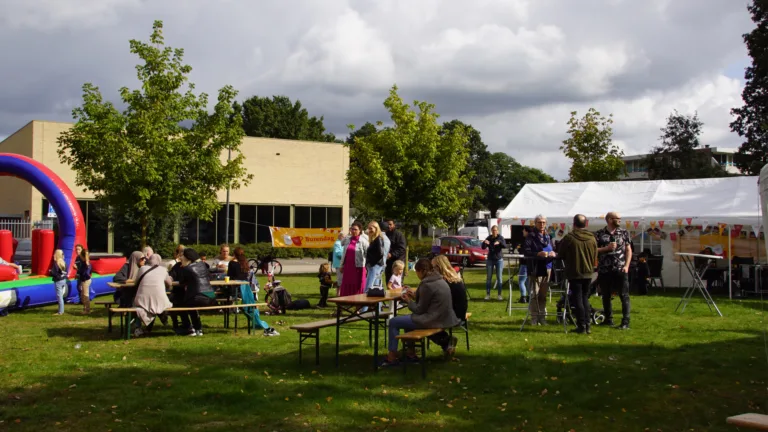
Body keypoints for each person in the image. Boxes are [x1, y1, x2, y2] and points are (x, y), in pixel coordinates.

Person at [382, 258, 461, 366]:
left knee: (394, 322)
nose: (417, 275)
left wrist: (408, 301)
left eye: (417, 271)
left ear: (423, 270)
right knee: (407, 322)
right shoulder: (439, 280)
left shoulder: (427, 284)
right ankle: (410, 354)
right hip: (444, 317)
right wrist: (415, 295)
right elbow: (428, 301)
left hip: (431, 320)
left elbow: (419, 310)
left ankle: (392, 356)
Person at [557, 214, 598, 334]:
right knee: (585, 298)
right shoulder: (592, 238)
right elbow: (595, 254)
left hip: (575, 272)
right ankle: (587, 325)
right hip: (589, 272)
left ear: (574, 224)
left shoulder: (570, 237)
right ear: (586, 224)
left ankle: (582, 325)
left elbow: (560, 254)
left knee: (577, 299)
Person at [595, 212, 632, 330]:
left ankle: (625, 321)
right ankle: (608, 319)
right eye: (618, 219)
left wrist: (627, 265)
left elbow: (628, 250)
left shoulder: (624, 233)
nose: (620, 220)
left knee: (624, 295)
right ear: (610, 220)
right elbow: (593, 250)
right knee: (606, 295)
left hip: (620, 268)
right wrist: (606, 248)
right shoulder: (599, 234)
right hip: (605, 269)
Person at [429, 255, 468, 357]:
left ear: (439, 267)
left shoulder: (444, 281)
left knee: (423, 322)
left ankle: (446, 342)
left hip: (453, 316)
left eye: (433, 267)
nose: (432, 270)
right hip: (460, 313)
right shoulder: (455, 277)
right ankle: (447, 345)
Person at [523, 215, 556, 325]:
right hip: (535, 268)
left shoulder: (548, 236)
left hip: (548, 268)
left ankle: (542, 317)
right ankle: (534, 318)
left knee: (543, 295)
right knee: (534, 294)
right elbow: (526, 252)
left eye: (543, 222)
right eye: (539, 222)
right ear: (535, 223)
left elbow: (553, 249)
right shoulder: (531, 236)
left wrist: (553, 253)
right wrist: (538, 253)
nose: (541, 224)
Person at [177, 248, 216, 336]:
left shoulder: (187, 269)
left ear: (187, 257)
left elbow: (181, 282)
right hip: (211, 296)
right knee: (189, 303)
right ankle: (198, 329)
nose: (181, 258)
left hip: (199, 297)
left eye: (182, 256)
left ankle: (189, 328)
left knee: (181, 303)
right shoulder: (203, 265)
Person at [132, 254, 173, 337]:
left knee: (138, 305)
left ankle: (139, 328)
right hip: (160, 300)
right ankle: (163, 318)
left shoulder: (142, 269)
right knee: (160, 303)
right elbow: (170, 284)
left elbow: (135, 283)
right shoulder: (163, 270)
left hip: (142, 300)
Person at [338, 221, 369, 297]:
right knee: (347, 282)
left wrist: (367, 267)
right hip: (348, 266)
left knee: (358, 284)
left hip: (358, 267)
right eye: (352, 229)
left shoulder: (363, 241)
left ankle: (358, 301)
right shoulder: (347, 239)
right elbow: (341, 243)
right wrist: (341, 265)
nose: (353, 231)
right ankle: (346, 300)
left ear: (360, 230)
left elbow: (367, 254)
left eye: (355, 229)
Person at [482, 225, 507, 301]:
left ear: (498, 231)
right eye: (493, 230)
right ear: (491, 231)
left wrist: (499, 242)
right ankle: (488, 294)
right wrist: (484, 242)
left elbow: (505, 246)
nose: (494, 232)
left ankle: (499, 295)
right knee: (489, 277)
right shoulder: (489, 238)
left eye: (496, 230)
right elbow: (483, 247)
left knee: (499, 278)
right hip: (490, 259)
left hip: (499, 259)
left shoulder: (500, 238)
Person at [365, 221, 386, 292]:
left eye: (371, 228)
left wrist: (372, 263)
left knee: (369, 287)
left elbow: (380, 253)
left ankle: (366, 303)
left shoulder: (378, 239)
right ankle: (377, 303)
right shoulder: (374, 239)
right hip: (374, 265)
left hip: (375, 265)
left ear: (376, 228)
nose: (369, 230)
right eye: (368, 228)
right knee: (375, 287)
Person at [384, 219, 407, 283]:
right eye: (387, 224)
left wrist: (391, 254)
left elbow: (402, 248)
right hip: (388, 263)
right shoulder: (385, 234)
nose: (389, 226)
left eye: (390, 224)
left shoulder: (399, 235)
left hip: (398, 263)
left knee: (397, 283)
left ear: (394, 225)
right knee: (388, 282)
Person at [50, 249, 68, 315]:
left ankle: (60, 311)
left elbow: (54, 272)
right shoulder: (63, 262)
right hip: (63, 280)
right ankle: (61, 310)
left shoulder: (56, 263)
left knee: (59, 296)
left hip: (58, 281)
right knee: (61, 296)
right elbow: (65, 272)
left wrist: (50, 272)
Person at [76, 248, 92, 314]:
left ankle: (87, 310)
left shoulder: (86, 263)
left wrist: (82, 274)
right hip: (84, 280)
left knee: (85, 295)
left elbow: (87, 273)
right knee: (83, 295)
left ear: (82, 256)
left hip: (86, 280)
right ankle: (85, 308)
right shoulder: (84, 262)